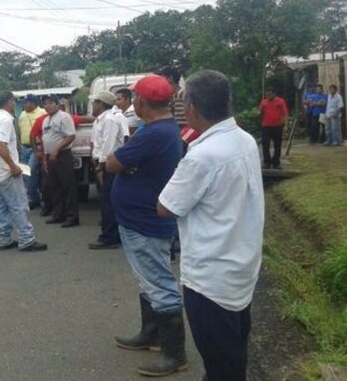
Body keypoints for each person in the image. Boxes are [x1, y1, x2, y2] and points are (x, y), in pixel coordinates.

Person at [158, 70, 264, 381]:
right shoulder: (244, 140)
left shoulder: (202, 155)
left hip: (210, 278)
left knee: (221, 363)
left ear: (191, 107)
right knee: (232, 351)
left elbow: (165, 206)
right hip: (240, 265)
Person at [107, 74, 186, 377]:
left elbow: (113, 163)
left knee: (161, 284)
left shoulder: (154, 133)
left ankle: (174, 353)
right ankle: (151, 334)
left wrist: (124, 162)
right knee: (148, 280)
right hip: (141, 218)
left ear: (140, 101)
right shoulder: (159, 129)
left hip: (145, 221)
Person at [0, 91, 48, 252]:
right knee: (19, 204)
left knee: (2, 206)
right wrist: (12, 165)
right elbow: (0, 144)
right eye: (14, 102)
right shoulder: (6, 120)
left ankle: (3, 238)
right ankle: (26, 238)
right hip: (6, 171)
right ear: (10, 102)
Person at [88, 91, 128, 249]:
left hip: (109, 164)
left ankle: (109, 236)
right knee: (107, 200)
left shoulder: (110, 119)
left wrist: (101, 166)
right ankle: (112, 233)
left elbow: (109, 145)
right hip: (103, 162)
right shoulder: (100, 120)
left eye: (95, 103)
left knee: (108, 201)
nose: (92, 105)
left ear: (101, 104)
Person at [42, 95, 79, 228]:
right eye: (45, 104)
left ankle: (72, 216)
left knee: (67, 186)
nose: (47, 106)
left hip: (62, 155)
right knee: (54, 186)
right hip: (50, 156)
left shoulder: (64, 117)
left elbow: (70, 136)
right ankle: (58, 214)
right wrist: (45, 159)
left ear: (57, 104)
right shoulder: (45, 120)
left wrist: (57, 148)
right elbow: (45, 139)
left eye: (50, 103)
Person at [18, 94, 47, 209]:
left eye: (27, 102)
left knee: (31, 170)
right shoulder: (22, 115)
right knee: (25, 174)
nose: (25, 105)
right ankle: (34, 197)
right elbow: (20, 129)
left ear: (34, 103)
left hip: (36, 147)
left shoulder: (42, 113)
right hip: (24, 147)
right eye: (24, 103)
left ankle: (31, 197)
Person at [259, 89, 288, 169]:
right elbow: (260, 113)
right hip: (266, 126)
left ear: (274, 94)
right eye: (267, 94)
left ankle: (276, 163)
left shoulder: (280, 101)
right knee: (265, 144)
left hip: (277, 126)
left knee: (277, 145)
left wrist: (285, 125)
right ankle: (266, 162)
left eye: (270, 94)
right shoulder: (263, 102)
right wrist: (261, 122)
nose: (268, 96)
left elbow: (284, 113)